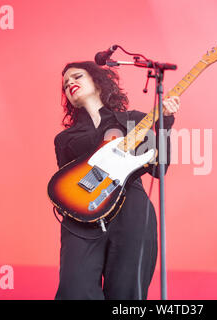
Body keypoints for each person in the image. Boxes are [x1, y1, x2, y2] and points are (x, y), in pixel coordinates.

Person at [53, 61, 180, 299]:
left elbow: (158, 168)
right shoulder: (64, 139)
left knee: (127, 293)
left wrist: (165, 124)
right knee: (74, 290)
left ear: (98, 83)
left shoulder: (133, 121)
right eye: (66, 84)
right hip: (83, 216)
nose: (70, 83)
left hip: (130, 210)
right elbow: (65, 186)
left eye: (77, 77)